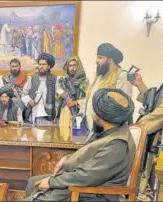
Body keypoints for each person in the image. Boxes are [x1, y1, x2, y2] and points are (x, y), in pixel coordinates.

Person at [24, 88, 136, 201]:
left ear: (102, 117)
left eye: (94, 111)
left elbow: (87, 176)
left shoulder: (117, 144)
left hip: (93, 193)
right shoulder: (109, 129)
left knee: (34, 196)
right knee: (32, 183)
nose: (92, 114)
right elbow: (90, 156)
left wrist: (52, 182)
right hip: (83, 182)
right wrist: (67, 158)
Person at [81, 43, 133, 134]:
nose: (96, 61)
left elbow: (123, 108)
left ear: (110, 59)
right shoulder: (100, 76)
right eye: (97, 57)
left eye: (100, 58)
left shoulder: (122, 76)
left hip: (109, 132)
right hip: (92, 129)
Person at [131, 72, 163, 201]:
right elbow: (154, 103)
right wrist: (140, 84)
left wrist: (136, 128)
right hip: (150, 137)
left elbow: (158, 114)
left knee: (146, 184)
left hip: (155, 140)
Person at [56, 56, 89, 138]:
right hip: (65, 113)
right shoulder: (63, 81)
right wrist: (62, 95)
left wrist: (76, 102)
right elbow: (57, 96)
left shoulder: (85, 81)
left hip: (79, 114)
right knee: (64, 139)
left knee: (78, 139)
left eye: (74, 65)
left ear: (78, 67)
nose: (72, 68)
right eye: (70, 66)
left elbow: (88, 98)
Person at [22, 53, 60, 125]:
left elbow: (58, 98)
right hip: (34, 113)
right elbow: (24, 93)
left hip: (49, 115)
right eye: (40, 64)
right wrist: (29, 101)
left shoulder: (55, 79)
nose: (41, 67)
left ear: (49, 66)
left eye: (44, 64)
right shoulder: (32, 78)